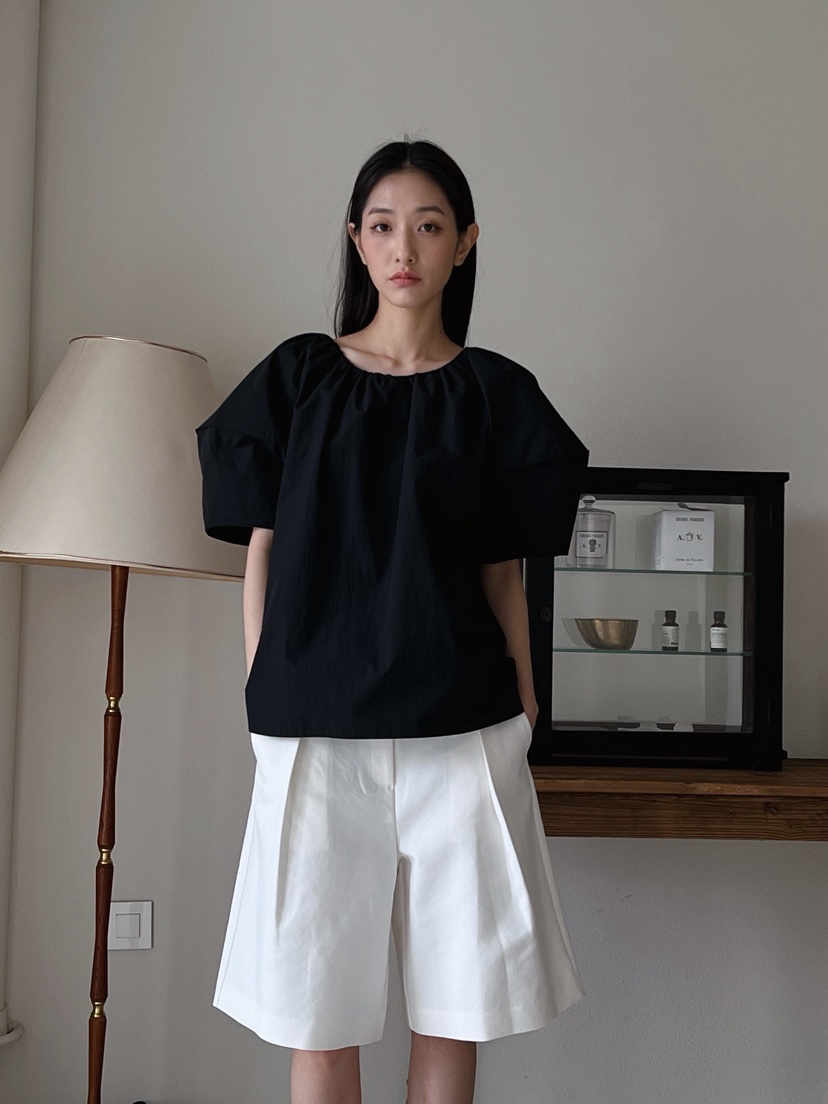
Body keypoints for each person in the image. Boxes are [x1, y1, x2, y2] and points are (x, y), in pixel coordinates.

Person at [196, 137, 589, 1104]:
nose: (403, 248)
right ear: (356, 241)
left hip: (463, 732)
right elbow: (263, 550)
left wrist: (525, 699)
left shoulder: (496, 394)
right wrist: (263, 689)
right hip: (315, 734)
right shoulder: (299, 377)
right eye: (382, 226)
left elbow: (504, 571)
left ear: (465, 243)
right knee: (315, 1014)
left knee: (458, 1007)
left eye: (428, 226)